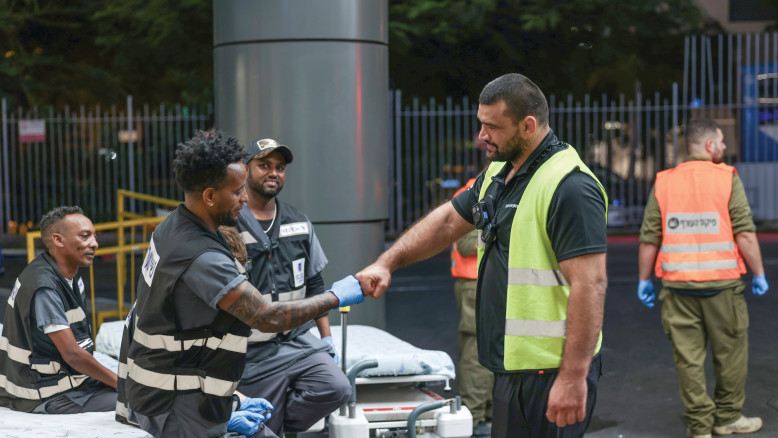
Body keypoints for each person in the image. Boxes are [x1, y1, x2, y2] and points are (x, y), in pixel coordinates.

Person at [356, 73, 608, 438]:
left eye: (492, 127)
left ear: (528, 125)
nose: (482, 136)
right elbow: (446, 222)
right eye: (481, 124)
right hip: (512, 369)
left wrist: (573, 377)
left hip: (551, 372)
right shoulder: (499, 173)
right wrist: (388, 261)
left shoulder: (570, 186)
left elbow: (592, 285)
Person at [115, 130, 364, 438]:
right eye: (237, 191)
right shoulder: (200, 255)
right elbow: (266, 316)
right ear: (209, 196)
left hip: (176, 388)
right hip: (174, 403)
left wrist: (232, 404)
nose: (245, 198)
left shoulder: (173, 227)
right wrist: (335, 297)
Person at [637, 119, 769, 438]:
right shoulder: (726, 178)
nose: (724, 148)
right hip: (722, 287)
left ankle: (699, 427)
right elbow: (745, 233)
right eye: (722, 142)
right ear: (709, 146)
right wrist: (760, 273)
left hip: (677, 288)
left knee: (688, 360)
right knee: (731, 355)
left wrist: (644, 280)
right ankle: (726, 418)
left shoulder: (665, 181)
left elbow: (649, 236)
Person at [235, 138, 350, 437]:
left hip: (296, 341)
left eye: (280, 167)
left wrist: (327, 339)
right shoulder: (230, 226)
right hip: (251, 351)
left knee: (336, 387)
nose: (273, 172)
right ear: (245, 171)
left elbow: (316, 286)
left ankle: (279, 427)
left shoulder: (300, 223)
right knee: (261, 426)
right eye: (264, 165)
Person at [0, 206, 118, 413]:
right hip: (43, 392)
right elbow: (72, 354)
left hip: (63, 381)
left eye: (94, 236)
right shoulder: (44, 286)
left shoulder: (66, 276)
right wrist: (122, 383)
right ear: (58, 240)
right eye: (85, 236)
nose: (95, 243)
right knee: (138, 402)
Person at [450, 177, 493, 437]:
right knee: (475, 350)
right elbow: (466, 245)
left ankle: (485, 414)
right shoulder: (473, 192)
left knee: (488, 348)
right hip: (472, 284)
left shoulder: (498, 189)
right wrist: (499, 229)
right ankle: (474, 417)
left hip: (486, 282)